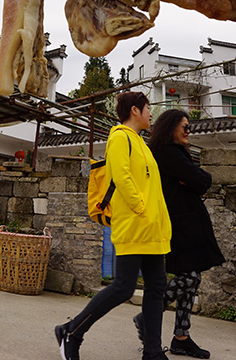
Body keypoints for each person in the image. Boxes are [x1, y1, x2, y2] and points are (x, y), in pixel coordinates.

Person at [55, 91, 172, 360]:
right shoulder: (119, 137)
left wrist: (158, 219)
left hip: (152, 230)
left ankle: (153, 352)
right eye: (147, 108)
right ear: (134, 110)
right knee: (123, 287)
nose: (151, 113)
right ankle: (71, 332)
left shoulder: (142, 143)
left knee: (156, 288)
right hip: (134, 225)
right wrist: (140, 208)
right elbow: (121, 176)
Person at [136, 109, 224, 359]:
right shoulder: (168, 153)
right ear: (170, 127)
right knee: (191, 278)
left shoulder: (173, 154)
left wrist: (194, 179)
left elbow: (198, 180)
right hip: (180, 226)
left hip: (185, 224)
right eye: (184, 126)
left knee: (190, 278)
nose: (188, 131)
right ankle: (149, 315)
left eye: (189, 127)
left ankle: (181, 338)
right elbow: (202, 181)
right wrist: (193, 179)